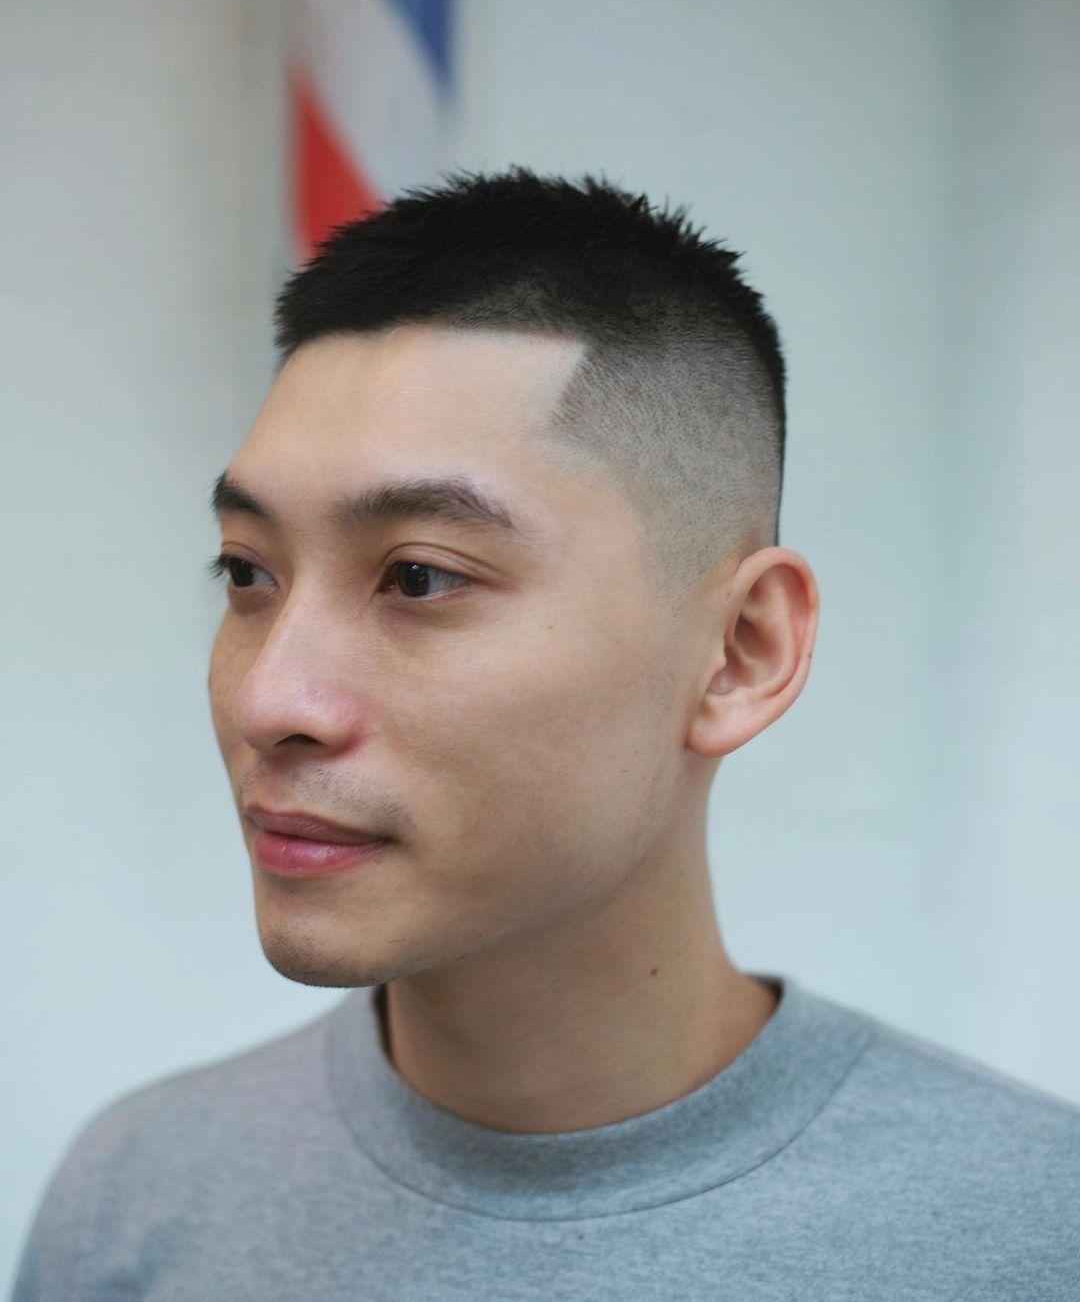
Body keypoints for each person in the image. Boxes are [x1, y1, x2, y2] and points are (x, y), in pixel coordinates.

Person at [13, 166, 1079, 1301]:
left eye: (419, 577)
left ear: (740, 650)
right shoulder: (137, 1198)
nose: (270, 698)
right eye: (246, 571)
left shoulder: (1028, 1234)